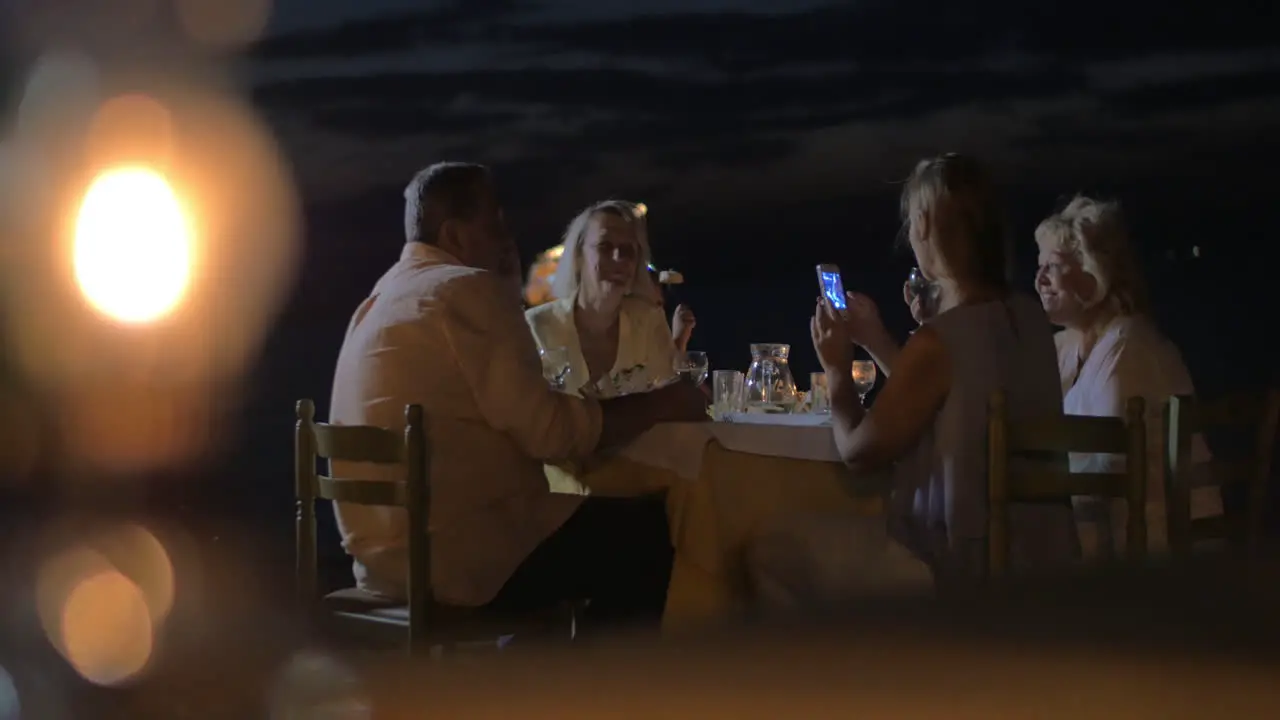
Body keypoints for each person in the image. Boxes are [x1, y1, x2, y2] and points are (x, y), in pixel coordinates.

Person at [329, 164, 708, 628]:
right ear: (456, 233)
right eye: (496, 224)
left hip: (381, 565)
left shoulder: (377, 302)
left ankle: (556, 676)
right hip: (457, 562)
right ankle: (607, 693)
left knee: (589, 527)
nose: (507, 238)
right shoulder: (463, 290)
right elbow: (554, 435)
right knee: (646, 533)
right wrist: (664, 403)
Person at [749, 154, 1078, 604]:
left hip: (950, 566)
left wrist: (836, 370)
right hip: (1039, 560)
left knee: (770, 547)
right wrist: (880, 342)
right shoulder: (1030, 320)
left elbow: (860, 452)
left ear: (922, 224)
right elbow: (947, 394)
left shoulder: (940, 341)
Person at [1033, 195, 1215, 556]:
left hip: (1146, 546)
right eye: (1038, 266)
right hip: (1100, 530)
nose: (1039, 279)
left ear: (1094, 270)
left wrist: (1027, 480)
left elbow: (1109, 464)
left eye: (1052, 266)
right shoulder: (1063, 347)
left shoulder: (1129, 345)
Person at [526, 200, 680, 399]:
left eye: (628, 250)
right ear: (578, 256)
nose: (619, 258)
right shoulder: (537, 327)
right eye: (605, 246)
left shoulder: (649, 323)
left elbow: (669, 402)